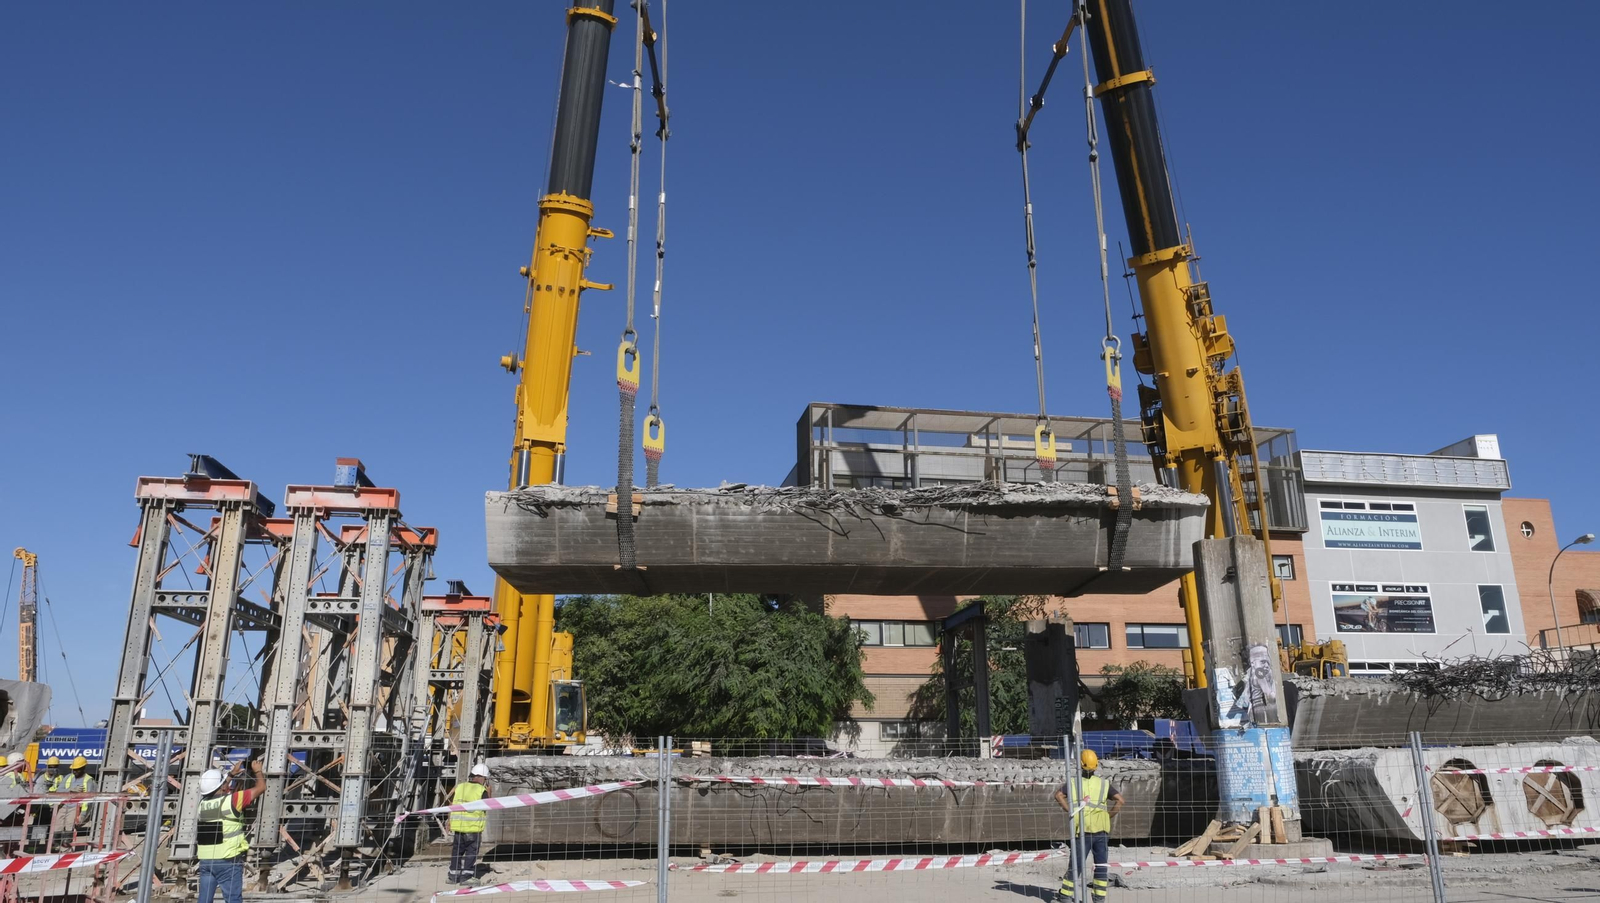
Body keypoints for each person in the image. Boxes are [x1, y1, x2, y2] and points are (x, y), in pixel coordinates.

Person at [1055, 750, 1124, 902]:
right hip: (1102, 831)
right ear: (1096, 765)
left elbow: (1058, 795)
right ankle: (1099, 899)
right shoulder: (1104, 783)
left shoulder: (1074, 783)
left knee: (1076, 865)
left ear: (1080, 765)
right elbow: (1120, 800)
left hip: (1083, 830)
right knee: (1101, 865)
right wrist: (1108, 815)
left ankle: (1065, 896)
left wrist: (1070, 811)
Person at [195, 759, 265, 903]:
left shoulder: (202, 805)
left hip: (206, 861)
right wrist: (257, 771)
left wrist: (231, 774)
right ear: (222, 786)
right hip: (228, 860)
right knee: (233, 899)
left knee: (204, 900)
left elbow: (216, 789)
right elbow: (261, 787)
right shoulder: (234, 800)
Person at [448, 763, 491, 885]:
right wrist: (489, 792)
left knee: (457, 851)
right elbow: (488, 806)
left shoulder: (460, 787)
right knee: (471, 852)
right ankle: (466, 877)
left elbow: (453, 804)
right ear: (483, 778)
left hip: (458, 827)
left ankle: (453, 876)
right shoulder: (481, 790)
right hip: (473, 828)